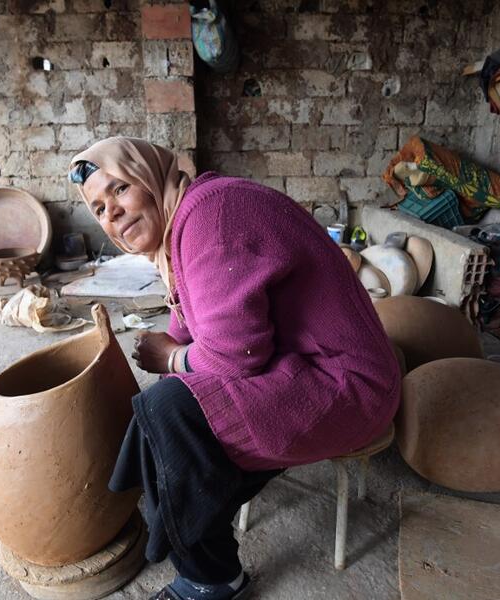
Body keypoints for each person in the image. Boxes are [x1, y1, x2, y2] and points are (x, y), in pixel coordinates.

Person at [69, 137, 400, 600]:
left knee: (170, 410)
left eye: (120, 190)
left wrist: (170, 359)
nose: (113, 214)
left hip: (351, 388)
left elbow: (233, 355)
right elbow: (190, 322)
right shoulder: (182, 225)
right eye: (99, 209)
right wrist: (175, 358)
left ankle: (211, 577)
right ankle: (180, 514)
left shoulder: (211, 217)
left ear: (150, 177)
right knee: (169, 413)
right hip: (306, 364)